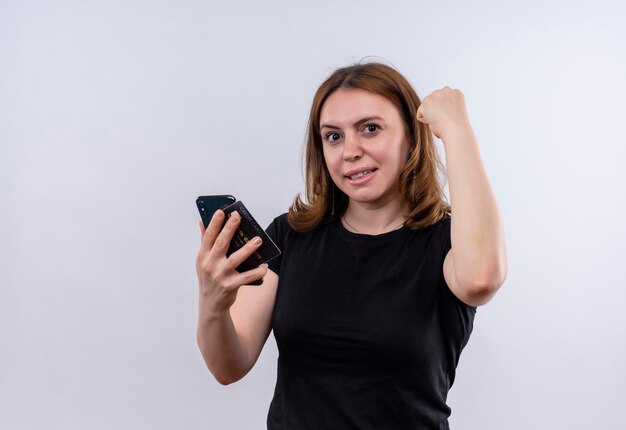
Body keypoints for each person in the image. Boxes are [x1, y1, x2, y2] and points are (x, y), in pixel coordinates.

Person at [195, 62, 507, 429]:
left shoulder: (448, 244)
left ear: (411, 134)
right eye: (333, 136)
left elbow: (481, 279)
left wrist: (457, 130)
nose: (350, 151)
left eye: (370, 129)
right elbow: (228, 367)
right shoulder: (289, 236)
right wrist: (213, 302)